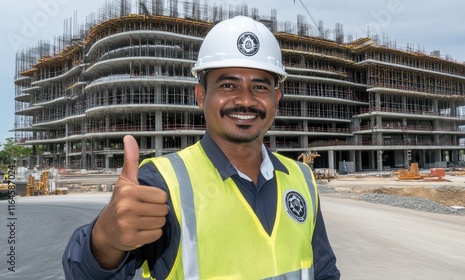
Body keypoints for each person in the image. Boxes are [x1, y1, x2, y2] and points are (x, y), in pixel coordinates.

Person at [62, 15, 340, 279]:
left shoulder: (301, 179)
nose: (245, 100)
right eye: (228, 85)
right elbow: (82, 274)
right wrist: (104, 240)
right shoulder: (163, 184)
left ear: (276, 99)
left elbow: (324, 272)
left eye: (259, 87)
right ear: (200, 96)